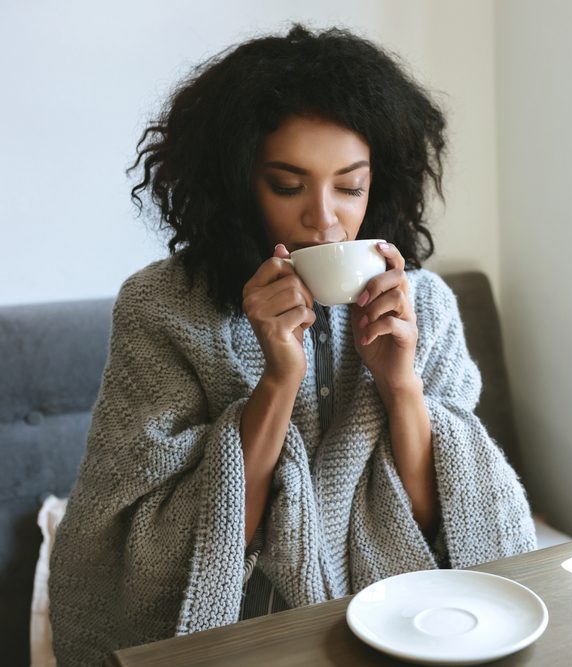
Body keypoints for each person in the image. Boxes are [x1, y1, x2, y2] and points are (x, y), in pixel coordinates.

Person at [49, 24, 536, 666]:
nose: (324, 217)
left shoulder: (425, 305)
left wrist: (400, 386)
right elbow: (161, 547)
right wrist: (278, 379)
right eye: (288, 186)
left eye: (349, 186)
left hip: (399, 613)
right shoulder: (160, 307)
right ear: (237, 183)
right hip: (242, 629)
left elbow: (439, 520)